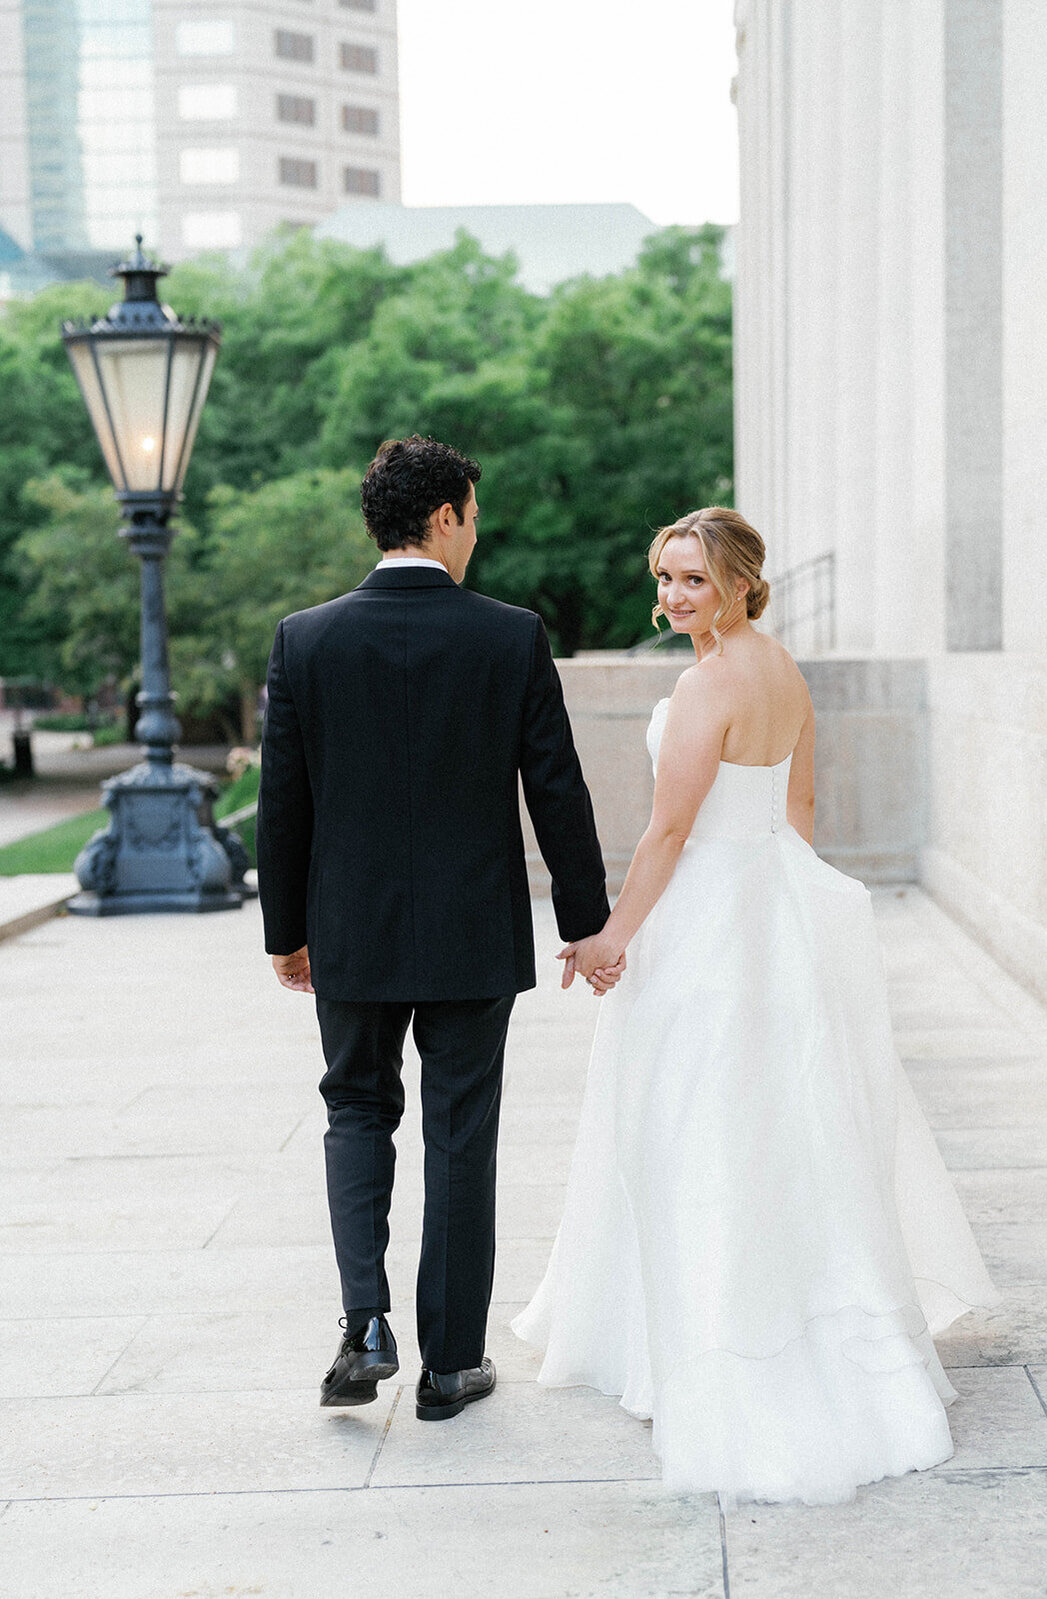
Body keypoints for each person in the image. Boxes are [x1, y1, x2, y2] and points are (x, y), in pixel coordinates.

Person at [512, 507, 1000, 1504]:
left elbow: (667, 836)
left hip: (707, 919)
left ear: (740, 581)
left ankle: (710, 1336)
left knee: (692, 1127)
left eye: (693, 579)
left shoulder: (709, 684)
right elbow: (801, 810)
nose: (672, 597)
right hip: (773, 906)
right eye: (664, 578)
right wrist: (788, 911)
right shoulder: (783, 671)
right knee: (784, 1124)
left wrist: (613, 937)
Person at [256, 435, 616, 1418]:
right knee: (460, 1134)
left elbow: (280, 803)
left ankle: (365, 1324)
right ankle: (451, 1364)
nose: (475, 533)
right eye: (474, 515)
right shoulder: (508, 635)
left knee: (356, 1111)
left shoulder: (305, 640)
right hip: (470, 934)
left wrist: (284, 931)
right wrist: (588, 922)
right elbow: (558, 787)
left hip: (351, 931)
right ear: (448, 515)